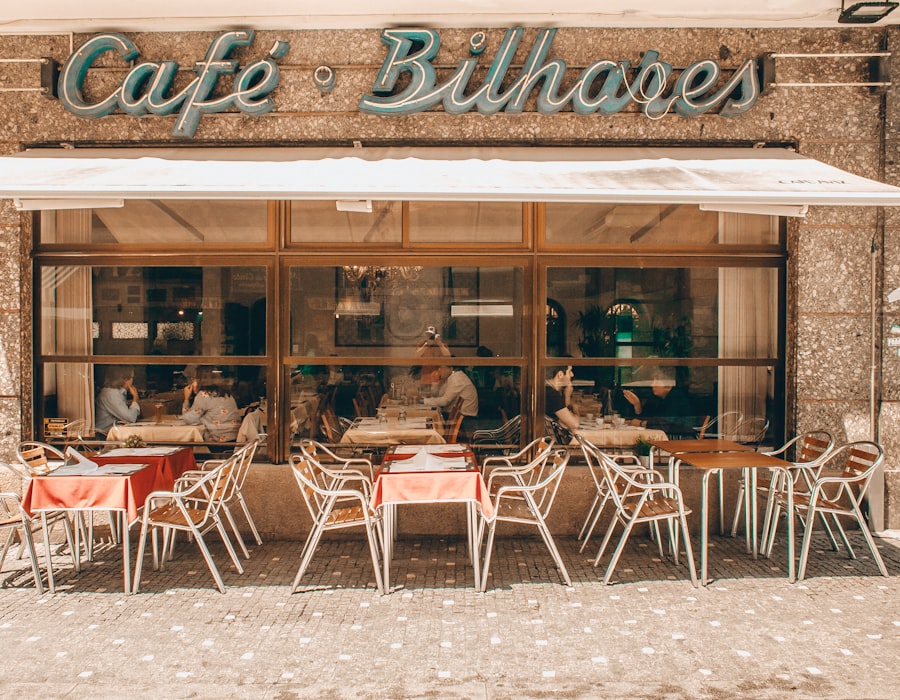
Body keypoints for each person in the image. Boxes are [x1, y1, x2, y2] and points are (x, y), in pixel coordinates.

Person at [622, 369, 694, 435]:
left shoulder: (676, 399)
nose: (652, 384)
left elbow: (663, 426)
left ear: (668, 386)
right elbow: (650, 418)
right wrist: (637, 404)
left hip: (678, 439)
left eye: (656, 381)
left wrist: (641, 423)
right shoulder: (658, 399)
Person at [181, 369, 242, 445]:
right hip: (234, 438)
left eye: (194, 379)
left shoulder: (204, 394)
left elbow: (188, 419)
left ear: (199, 380)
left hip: (217, 441)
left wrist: (186, 398)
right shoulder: (227, 393)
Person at [423, 365, 479, 440]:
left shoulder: (457, 378)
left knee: (429, 422)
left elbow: (444, 401)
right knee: (429, 420)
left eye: (440, 368)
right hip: (455, 416)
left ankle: (433, 441)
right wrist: (436, 380)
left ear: (450, 368)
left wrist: (421, 401)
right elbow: (436, 395)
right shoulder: (450, 378)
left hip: (465, 419)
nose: (438, 371)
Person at [95, 365, 142, 437]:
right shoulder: (111, 394)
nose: (132, 380)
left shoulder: (116, 392)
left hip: (111, 432)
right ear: (125, 380)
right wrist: (135, 398)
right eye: (132, 377)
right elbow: (130, 418)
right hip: (103, 435)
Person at [545, 365, 579, 432]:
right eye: (569, 372)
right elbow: (574, 424)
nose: (572, 375)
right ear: (560, 374)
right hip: (547, 440)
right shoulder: (552, 395)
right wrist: (576, 410)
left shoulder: (547, 389)